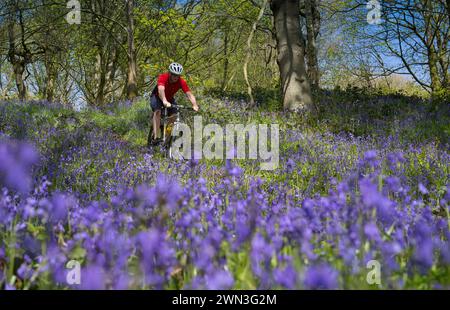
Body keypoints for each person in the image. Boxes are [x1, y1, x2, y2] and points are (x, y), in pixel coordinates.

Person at [149, 63, 199, 146]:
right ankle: (155, 136)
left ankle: (167, 137)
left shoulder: (181, 81)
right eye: (174, 75)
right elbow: (161, 90)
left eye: (177, 75)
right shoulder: (163, 77)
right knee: (157, 112)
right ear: (170, 73)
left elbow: (189, 94)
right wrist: (164, 101)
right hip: (157, 96)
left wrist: (194, 104)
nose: (176, 77)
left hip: (169, 99)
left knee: (174, 116)